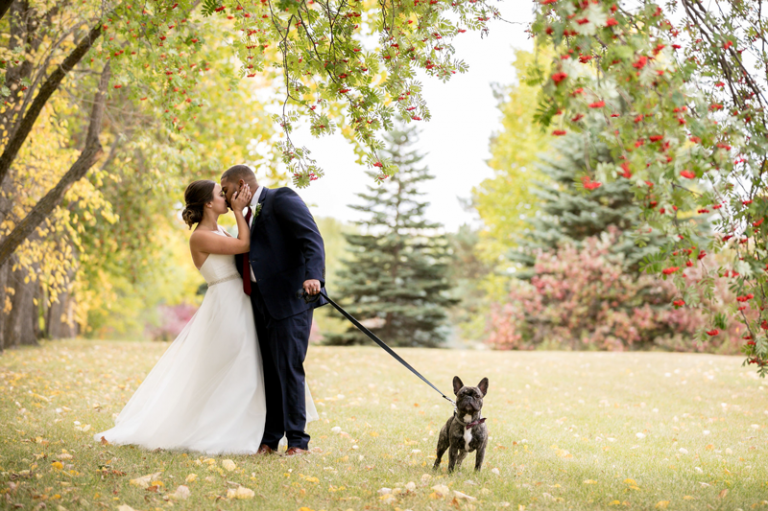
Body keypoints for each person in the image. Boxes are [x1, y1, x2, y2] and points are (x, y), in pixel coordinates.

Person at [93, 179, 317, 454]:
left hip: (243, 302)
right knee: (240, 364)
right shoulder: (200, 236)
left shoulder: (220, 229)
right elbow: (245, 245)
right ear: (209, 203)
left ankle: (260, 432)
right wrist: (238, 210)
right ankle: (225, 429)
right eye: (220, 194)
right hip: (227, 305)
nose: (226, 197)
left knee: (253, 368)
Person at [220, 164, 327, 456]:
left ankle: (297, 443)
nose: (225, 197)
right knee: (269, 371)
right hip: (260, 303)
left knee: (289, 369)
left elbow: (312, 239)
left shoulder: (281, 198)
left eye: (226, 190)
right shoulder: (245, 216)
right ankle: (270, 439)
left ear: (242, 184)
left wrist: (313, 276)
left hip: (291, 300)